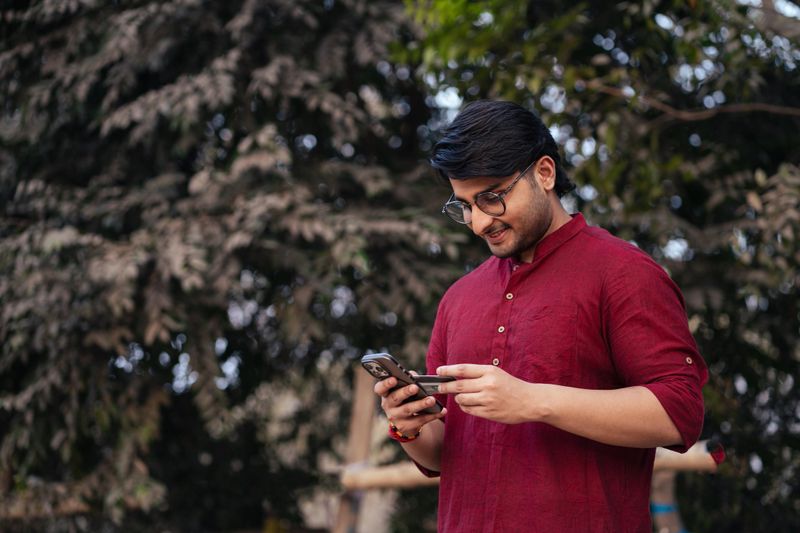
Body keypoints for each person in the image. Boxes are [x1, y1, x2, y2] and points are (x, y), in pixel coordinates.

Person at [373, 100, 708, 532]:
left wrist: (532, 400)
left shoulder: (623, 273)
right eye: (465, 206)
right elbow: (445, 454)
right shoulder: (459, 297)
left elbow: (680, 412)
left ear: (544, 174)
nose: (477, 223)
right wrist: (410, 428)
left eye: (491, 198)